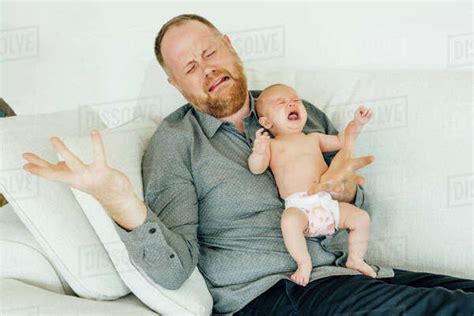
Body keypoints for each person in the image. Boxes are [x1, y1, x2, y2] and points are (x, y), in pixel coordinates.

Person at [21, 14, 474, 315]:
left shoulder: (298, 109)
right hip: (276, 295)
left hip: (346, 271)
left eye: (210, 52)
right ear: (176, 84)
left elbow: (347, 191)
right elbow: (174, 270)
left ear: (230, 46)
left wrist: (345, 190)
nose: (207, 68)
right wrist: (120, 203)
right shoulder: (177, 144)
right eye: (189, 67)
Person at [249, 84, 376, 286]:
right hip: (300, 208)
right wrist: (258, 152)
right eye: (282, 102)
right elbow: (256, 168)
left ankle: (356, 258)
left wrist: (357, 124)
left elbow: (342, 140)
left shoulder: (314, 138)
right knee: (288, 222)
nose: (291, 102)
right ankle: (304, 262)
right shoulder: (273, 145)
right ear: (266, 122)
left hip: (327, 202)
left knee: (361, 218)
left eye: (295, 100)